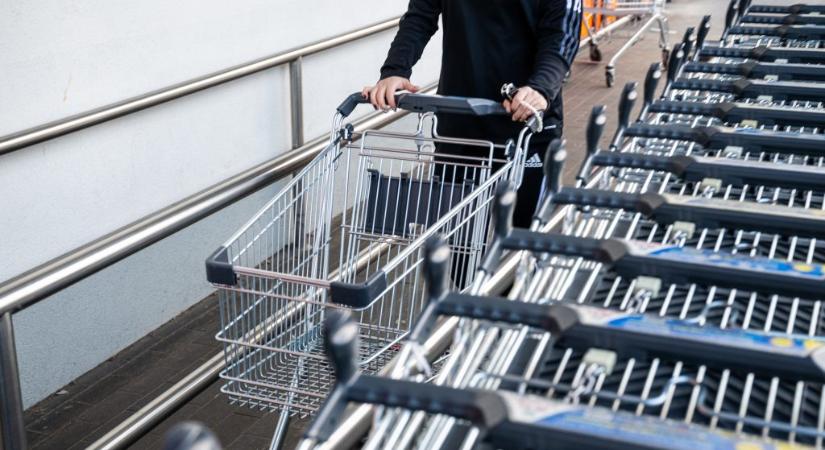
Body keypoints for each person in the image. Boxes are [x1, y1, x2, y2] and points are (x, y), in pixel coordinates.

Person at [363, 0, 583, 227]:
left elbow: (562, 35)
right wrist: (395, 70)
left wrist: (541, 87)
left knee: (524, 241)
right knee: (456, 242)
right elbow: (420, 15)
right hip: (459, 122)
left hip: (527, 127)